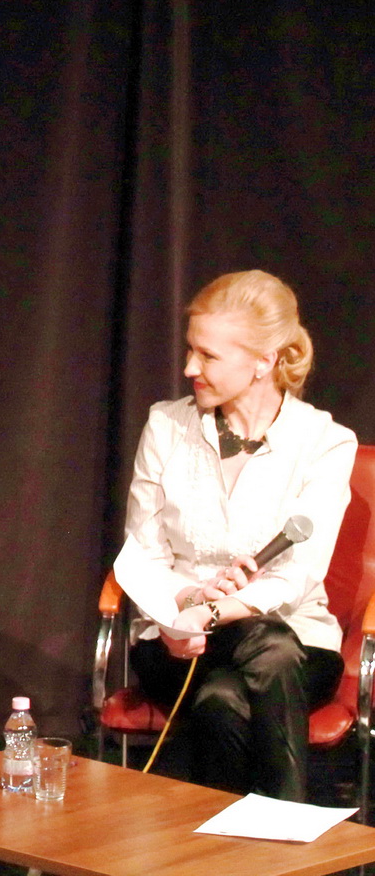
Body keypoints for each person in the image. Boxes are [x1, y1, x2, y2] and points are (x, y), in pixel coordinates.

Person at [114, 270, 357, 801]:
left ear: (264, 361)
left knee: (226, 696)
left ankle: (223, 841)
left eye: (207, 356)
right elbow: (144, 553)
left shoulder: (326, 443)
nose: (188, 368)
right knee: (266, 652)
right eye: (190, 350)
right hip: (178, 643)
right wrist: (187, 603)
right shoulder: (166, 427)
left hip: (298, 641)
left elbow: (299, 572)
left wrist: (217, 610)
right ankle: (286, 825)